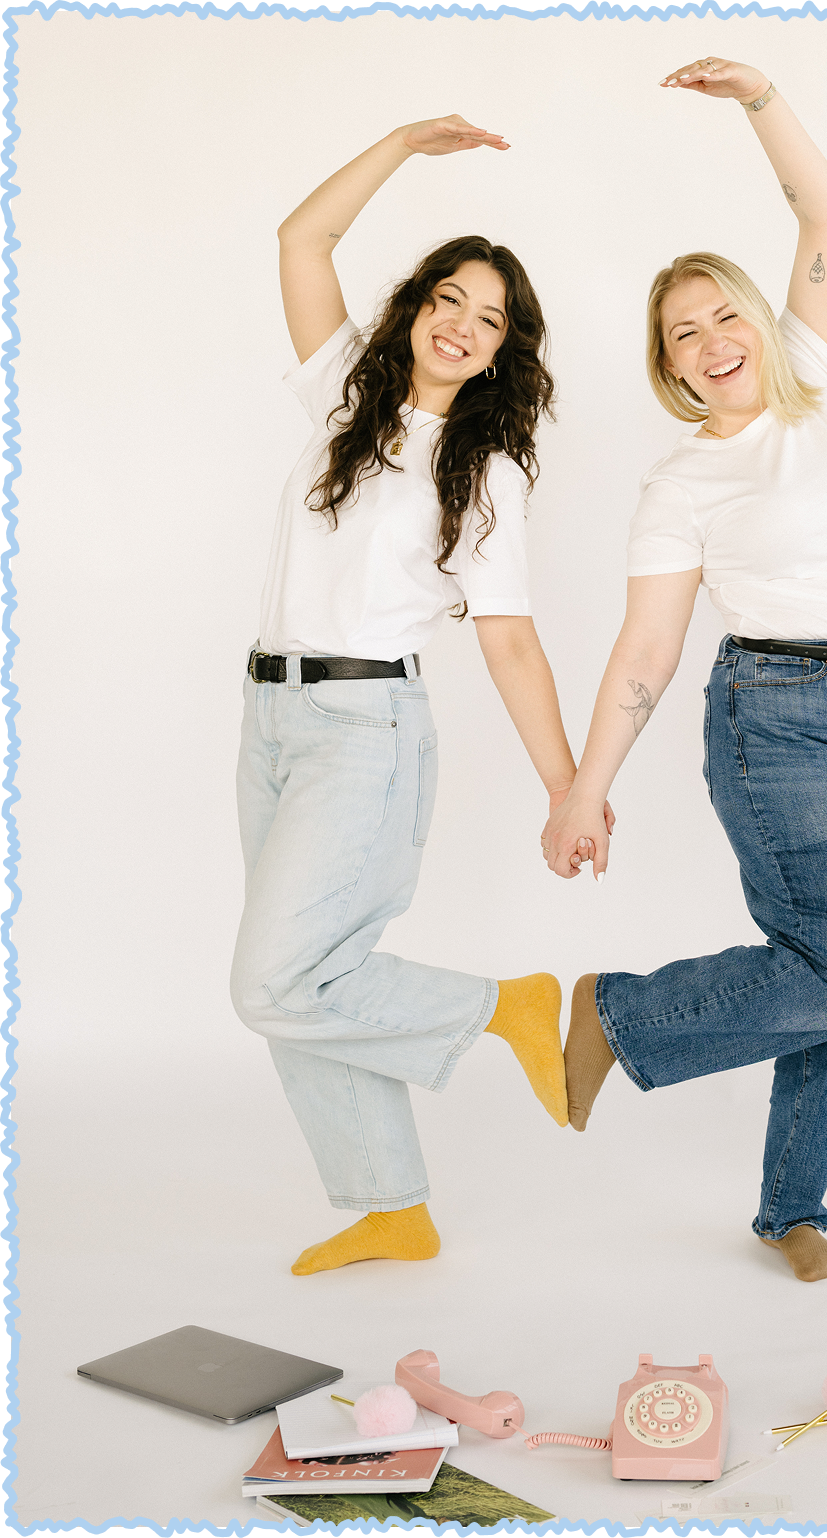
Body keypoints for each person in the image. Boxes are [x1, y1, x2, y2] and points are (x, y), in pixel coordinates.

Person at [542, 59, 827, 1283]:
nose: (713, 341)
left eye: (725, 314)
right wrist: (582, 784)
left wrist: (763, 101)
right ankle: (617, 1013)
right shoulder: (683, 483)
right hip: (782, 721)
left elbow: (825, 217)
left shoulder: (822, 380)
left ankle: (791, 1208)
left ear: (759, 324)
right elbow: (647, 648)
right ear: (668, 367)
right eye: (684, 333)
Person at [231, 115, 606, 1276]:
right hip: (271, 718)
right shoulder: (346, 393)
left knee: (277, 978)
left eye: (489, 317)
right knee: (313, 974)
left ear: (504, 350)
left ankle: (510, 1007)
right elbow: (303, 236)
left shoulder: (482, 471)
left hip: (368, 735)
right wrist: (401, 143)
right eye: (449, 296)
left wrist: (568, 786)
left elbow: (509, 643)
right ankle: (391, 1203)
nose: (461, 324)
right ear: (415, 307)